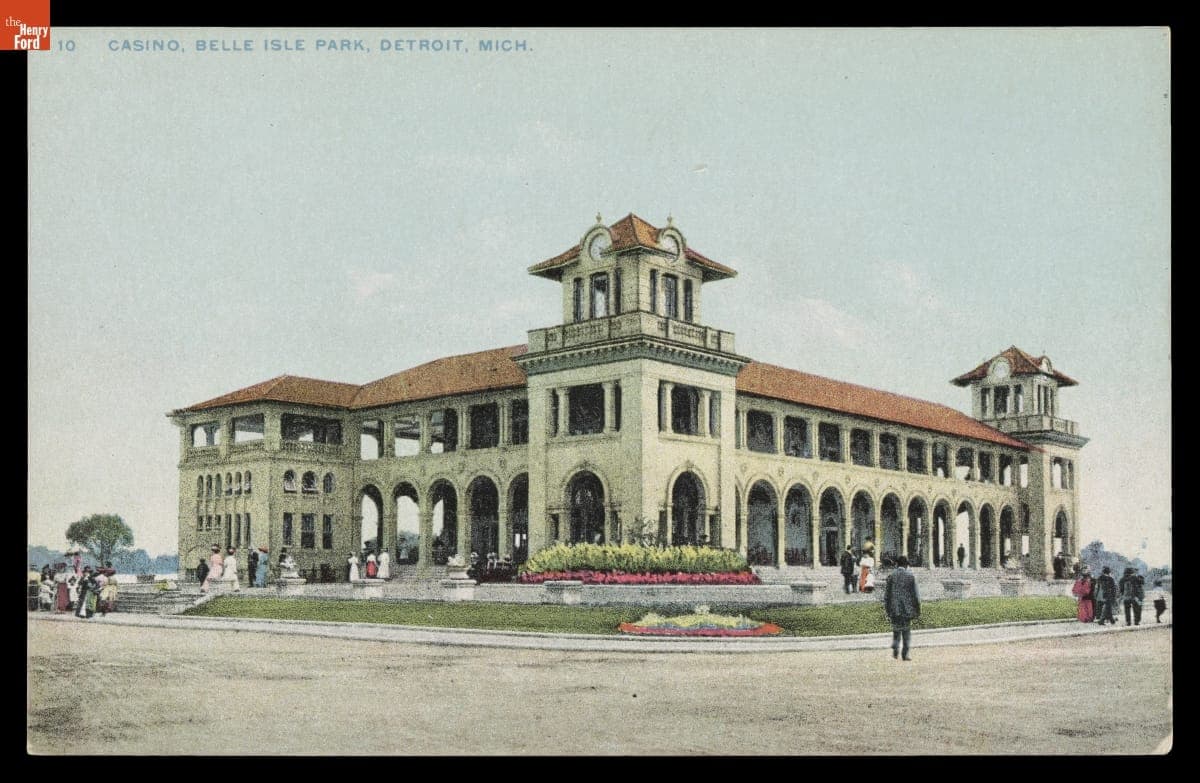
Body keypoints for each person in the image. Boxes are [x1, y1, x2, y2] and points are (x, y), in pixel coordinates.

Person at [884, 554, 921, 661]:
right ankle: (905, 654)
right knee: (906, 631)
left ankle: (895, 649)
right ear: (906, 565)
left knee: (896, 630)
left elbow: (887, 595)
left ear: (897, 564)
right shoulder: (911, 576)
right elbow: (916, 595)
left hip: (894, 608)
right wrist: (917, 609)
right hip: (907, 609)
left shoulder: (891, 576)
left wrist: (887, 609)